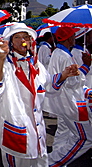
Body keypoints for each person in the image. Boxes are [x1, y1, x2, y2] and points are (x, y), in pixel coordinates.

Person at [0, 23, 78, 166]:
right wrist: (2, 58)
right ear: (11, 42)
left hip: (37, 130)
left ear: (30, 41)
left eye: (26, 37)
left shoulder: (37, 65)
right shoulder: (5, 65)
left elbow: (48, 86)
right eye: (17, 37)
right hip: (16, 128)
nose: (22, 40)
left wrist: (64, 75)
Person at [45, 26, 92, 166]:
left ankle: (54, 159)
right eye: (73, 36)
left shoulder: (59, 53)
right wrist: (86, 66)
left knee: (64, 131)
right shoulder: (64, 56)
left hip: (64, 100)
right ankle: (52, 162)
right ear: (69, 38)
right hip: (70, 101)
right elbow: (72, 83)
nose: (75, 38)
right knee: (85, 138)